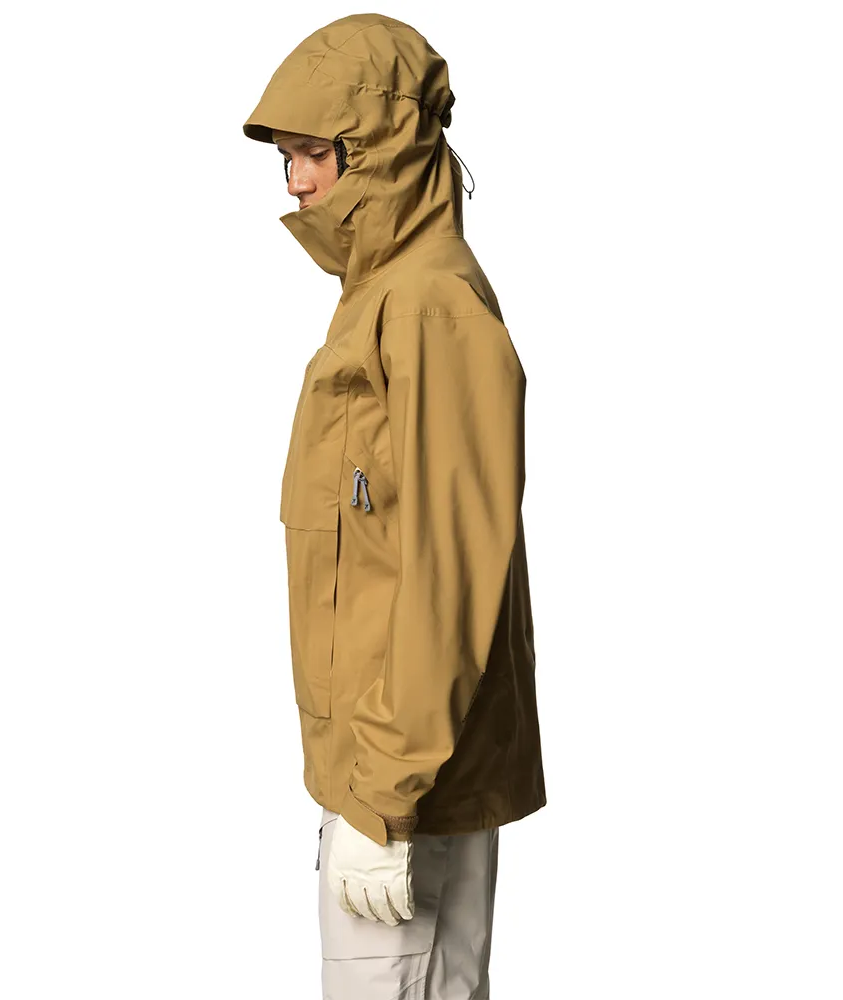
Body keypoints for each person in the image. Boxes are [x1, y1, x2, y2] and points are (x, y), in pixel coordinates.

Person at [242, 13, 546, 999]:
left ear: (377, 148)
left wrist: (380, 797)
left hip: (404, 789)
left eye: (311, 152)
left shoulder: (425, 303)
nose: (295, 182)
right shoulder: (379, 298)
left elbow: (449, 566)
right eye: (284, 157)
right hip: (393, 775)